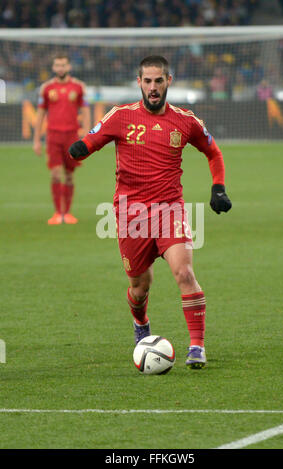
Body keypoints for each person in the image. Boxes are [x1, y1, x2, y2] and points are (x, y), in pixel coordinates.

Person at [69, 56, 232, 369]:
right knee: (139, 287)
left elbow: (213, 152)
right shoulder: (121, 116)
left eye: (159, 81)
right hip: (130, 215)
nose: (153, 87)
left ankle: (196, 346)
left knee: (184, 273)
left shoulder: (186, 121)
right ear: (139, 82)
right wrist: (81, 148)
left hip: (170, 209)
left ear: (168, 80)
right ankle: (140, 323)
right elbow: (92, 139)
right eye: (148, 81)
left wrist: (218, 188)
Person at [33, 54, 91, 225]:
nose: (60, 68)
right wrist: (36, 140)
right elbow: (40, 114)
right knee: (56, 173)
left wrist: (87, 136)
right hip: (53, 136)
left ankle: (68, 213)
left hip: (72, 136)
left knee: (69, 175)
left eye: (63, 65)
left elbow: (86, 110)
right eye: (57, 65)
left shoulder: (79, 87)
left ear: (68, 67)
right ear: (53, 68)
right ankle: (58, 213)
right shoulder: (46, 88)